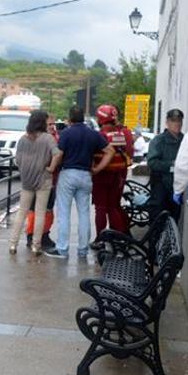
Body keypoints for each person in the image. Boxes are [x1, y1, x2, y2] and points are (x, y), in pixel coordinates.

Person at [46, 106, 115, 259]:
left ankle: (62, 249)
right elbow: (110, 151)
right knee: (84, 213)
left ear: (70, 120)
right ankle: (82, 249)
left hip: (68, 174)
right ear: (83, 118)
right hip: (86, 175)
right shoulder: (93, 134)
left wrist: (51, 168)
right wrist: (97, 168)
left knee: (64, 213)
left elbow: (59, 154)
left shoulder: (66, 134)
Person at [8, 110, 59, 255]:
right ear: (42, 123)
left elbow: (17, 160)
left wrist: (25, 169)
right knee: (40, 213)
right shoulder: (48, 138)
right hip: (43, 180)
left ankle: (13, 244)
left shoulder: (23, 139)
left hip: (27, 180)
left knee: (22, 213)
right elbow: (57, 154)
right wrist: (51, 168)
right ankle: (36, 245)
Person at [90, 105, 133, 247]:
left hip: (102, 176)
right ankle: (121, 237)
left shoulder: (100, 135)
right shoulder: (120, 134)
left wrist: (95, 169)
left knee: (100, 208)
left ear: (101, 118)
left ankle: (100, 239)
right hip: (117, 176)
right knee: (113, 206)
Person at [25, 115, 60, 249]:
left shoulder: (55, 138)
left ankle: (44, 235)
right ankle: (31, 236)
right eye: (49, 124)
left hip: (52, 181)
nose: (52, 126)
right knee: (35, 210)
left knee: (48, 210)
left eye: (53, 124)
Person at [148, 108, 185, 221]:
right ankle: (155, 238)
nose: (177, 124)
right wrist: (172, 165)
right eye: (173, 121)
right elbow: (152, 162)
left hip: (177, 185)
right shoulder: (159, 140)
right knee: (158, 217)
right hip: (161, 185)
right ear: (167, 122)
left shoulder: (184, 140)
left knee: (174, 217)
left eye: (179, 121)